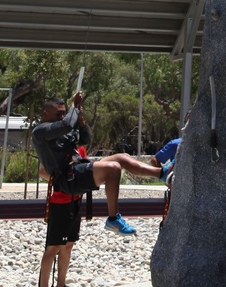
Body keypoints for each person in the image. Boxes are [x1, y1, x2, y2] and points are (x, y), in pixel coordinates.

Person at [31, 92, 161, 239]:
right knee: (113, 169)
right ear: (45, 114)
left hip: (78, 169)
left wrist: (80, 121)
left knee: (122, 158)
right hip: (67, 178)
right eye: (58, 114)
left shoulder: (61, 131)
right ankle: (113, 219)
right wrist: (73, 105)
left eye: (63, 113)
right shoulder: (40, 131)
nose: (61, 116)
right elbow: (66, 125)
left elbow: (84, 139)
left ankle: (162, 174)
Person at [35, 130, 88, 287]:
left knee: (68, 244)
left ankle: (61, 286)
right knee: (53, 247)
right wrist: (61, 181)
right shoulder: (56, 151)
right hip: (60, 203)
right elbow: (43, 171)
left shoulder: (79, 149)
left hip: (75, 202)